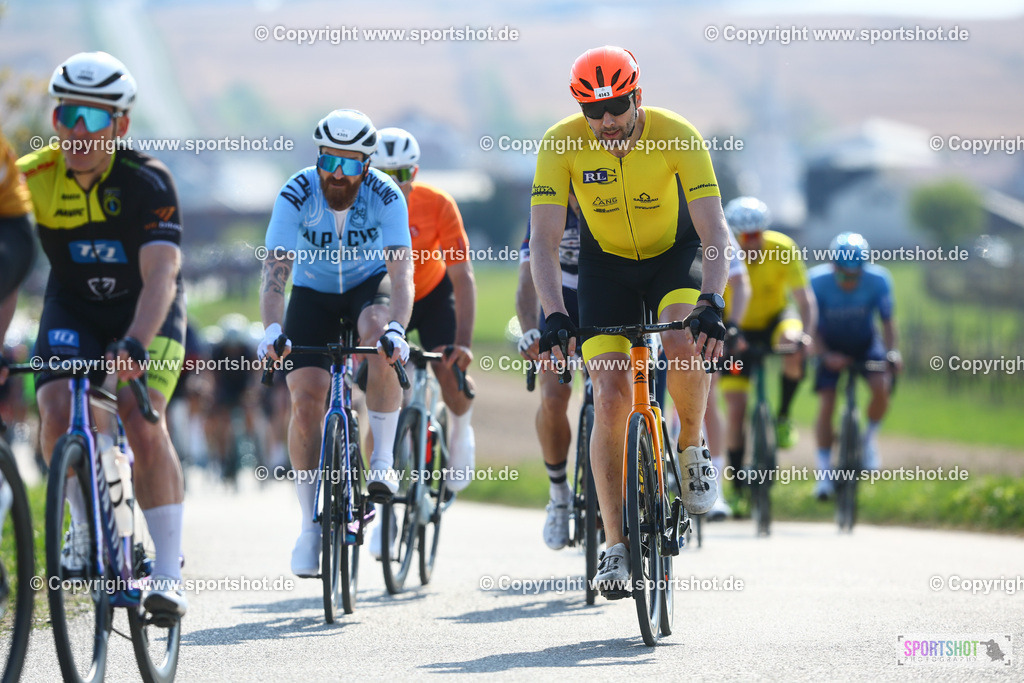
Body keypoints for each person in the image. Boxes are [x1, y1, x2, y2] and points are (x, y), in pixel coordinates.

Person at [530, 46, 731, 597]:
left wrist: (711, 301)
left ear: (636, 95)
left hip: (675, 256)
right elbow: (544, 245)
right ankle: (616, 546)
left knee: (683, 343)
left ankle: (690, 445)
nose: (606, 121)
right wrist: (553, 314)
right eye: (592, 111)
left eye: (616, 105)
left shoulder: (676, 134)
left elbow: (715, 232)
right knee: (611, 396)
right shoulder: (561, 142)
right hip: (606, 269)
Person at [17, 52, 188, 618]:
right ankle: (82, 526)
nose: (79, 133)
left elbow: (161, 275)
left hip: (147, 310)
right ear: (56, 119)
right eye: (69, 116)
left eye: (95, 120)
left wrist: (136, 343)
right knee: (58, 406)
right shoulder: (31, 177)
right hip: (75, 309)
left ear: (121, 126)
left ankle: (167, 573)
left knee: (142, 421)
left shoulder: (147, 180)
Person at [258, 109, 414, 577]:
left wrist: (398, 330)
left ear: (367, 165)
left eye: (350, 165)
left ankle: (382, 459)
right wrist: (271, 330)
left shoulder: (386, 195)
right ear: (318, 157)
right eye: (329, 161)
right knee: (305, 402)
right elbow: (274, 275)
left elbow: (402, 274)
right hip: (312, 294)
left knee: (379, 334)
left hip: (369, 288)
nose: (337, 175)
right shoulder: (296, 192)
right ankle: (309, 526)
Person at [369, 128, 476, 488]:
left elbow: (463, 277)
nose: (391, 183)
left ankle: (460, 430)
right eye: (381, 174)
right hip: (382, 295)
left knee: (448, 369)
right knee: (374, 382)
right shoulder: (360, 207)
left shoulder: (438, 203)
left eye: (399, 174)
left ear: (412, 173)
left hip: (430, 294)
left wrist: (463, 344)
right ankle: (381, 488)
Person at [718, 197, 816, 491]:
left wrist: (807, 334)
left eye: (758, 233)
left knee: (793, 341)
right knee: (736, 410)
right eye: (745, 236)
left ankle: (783, 415)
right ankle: (736, 484)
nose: (752, 241)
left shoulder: (783, 248)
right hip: (737, 330)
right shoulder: (721, 253)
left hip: (775, 320)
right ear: (734, 235)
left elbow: (804, 299)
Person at [809, 232, 901, 499]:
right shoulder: (816, 281)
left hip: (865, 343)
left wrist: (893, 352)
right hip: (829, 344)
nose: (849, 281)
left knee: (881, 387)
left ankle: (867, 440)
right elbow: (811, 327)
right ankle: (824, 476)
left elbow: (887, 322)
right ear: (833, 267)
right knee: (827, 402)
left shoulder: (879, 279)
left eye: (855, 275)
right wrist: (825, 356)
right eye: (843, 276)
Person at [516, 186, 582, 550]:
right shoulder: (546, 206)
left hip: (609, 293)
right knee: (554, 397)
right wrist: (529, 330)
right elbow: (528, 280)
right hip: (561, 295)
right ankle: (559, 494)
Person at [702, 229, 750, 520]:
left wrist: (733, 325)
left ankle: (715, 488)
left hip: (699, 317)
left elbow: (740, 282)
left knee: (708, 399)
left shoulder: (710, 217)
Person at [205, 314, 259, 482]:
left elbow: (257, 372)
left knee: (250, 415)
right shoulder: (218, 351)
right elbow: (210, 374)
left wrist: (253, 391)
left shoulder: (247, 350)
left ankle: (255, 445)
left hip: (243, 387)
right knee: (222, 422)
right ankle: (223, 458)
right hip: (225, 389)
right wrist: (211, 392)